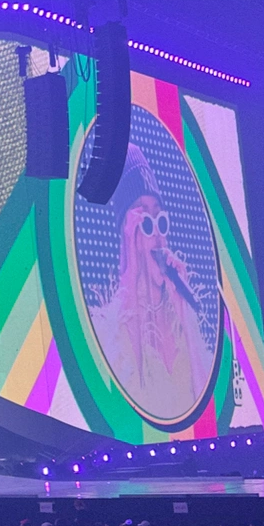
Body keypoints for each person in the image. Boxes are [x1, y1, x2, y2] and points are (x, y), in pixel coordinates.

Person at [87, 144, 211, 421]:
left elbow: (205, 404)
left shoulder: (179, 314)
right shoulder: (110, 325)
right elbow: (130, 398)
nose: (156, 232)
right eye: (144, 219)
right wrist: (130, 275)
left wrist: (185, 313)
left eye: (159, 217)